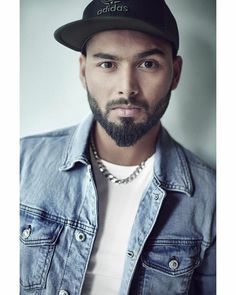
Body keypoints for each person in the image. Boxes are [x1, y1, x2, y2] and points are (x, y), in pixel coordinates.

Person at [20, 0, 216, 294]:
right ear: (84, 70)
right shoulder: (20, 163)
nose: (127, 87)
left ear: (174, 74)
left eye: (147, 64)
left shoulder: (213, 199)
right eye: (107, 64)